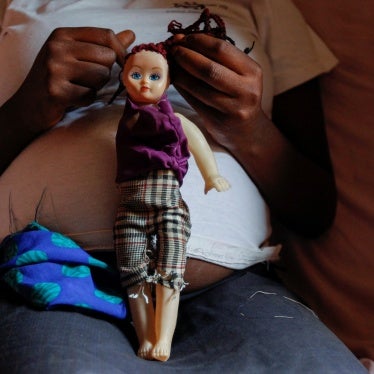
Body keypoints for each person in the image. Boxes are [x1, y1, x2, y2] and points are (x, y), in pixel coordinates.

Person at [0, 1, 368, 373]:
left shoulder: (265, 6)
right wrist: (25, 111)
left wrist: (250, 131)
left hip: (237, 290)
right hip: (54, 273)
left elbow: (315, 211)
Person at [114, 37, 229, 361]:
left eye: (155, 76)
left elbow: (196, 143)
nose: (145, 84)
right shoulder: (129, 121)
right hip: (131, 204)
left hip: (167, 203)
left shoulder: (174, 121)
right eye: (136, 75)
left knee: (169, 269)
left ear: (167, 81)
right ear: (123, 77)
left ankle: (162, 337)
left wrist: (212, 175)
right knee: (133, 270)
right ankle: (145, 336)